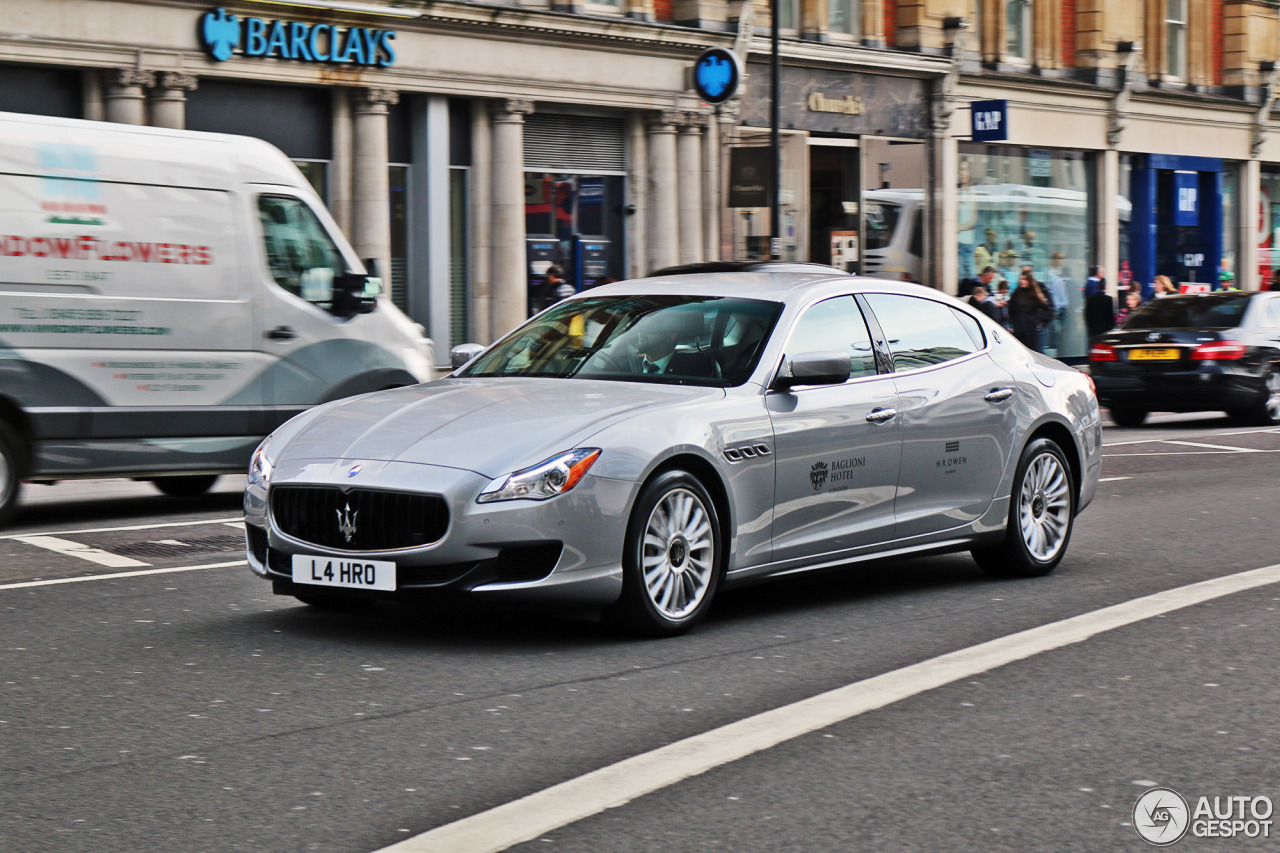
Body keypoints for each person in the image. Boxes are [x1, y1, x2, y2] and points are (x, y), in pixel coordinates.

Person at [1007, 268, 1052, 353]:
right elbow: (1011, 310)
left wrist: (1038, 321)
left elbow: (1047, 309)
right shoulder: (1016, 294)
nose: (1022, 281)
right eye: (1021, 279)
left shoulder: (1037, 294)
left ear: (1030, 280)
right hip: (1020, 332)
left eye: (1025, 279)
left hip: (1034, 332)